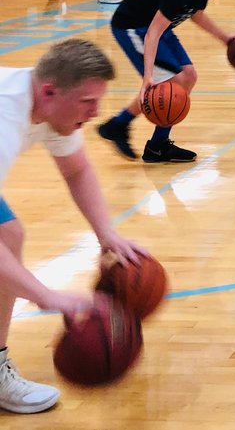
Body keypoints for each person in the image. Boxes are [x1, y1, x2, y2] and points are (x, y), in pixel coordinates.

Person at [0, 38, 144, 414]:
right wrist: (46, 295)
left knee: (9, 235)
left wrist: (106, 233)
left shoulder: (50, 107)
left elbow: (77, 170)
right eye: (88, 102)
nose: (96, 113)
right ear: (49, 91)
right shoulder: (5, 119)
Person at [97, 0, 235, 163]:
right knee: (172, 83)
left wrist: (226, 39)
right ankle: (119, 125)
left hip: (158, 28)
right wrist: (148, 77)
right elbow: (152, 34)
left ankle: (156, 144)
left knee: (189, 76)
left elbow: (196, 14)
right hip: (133, 27)